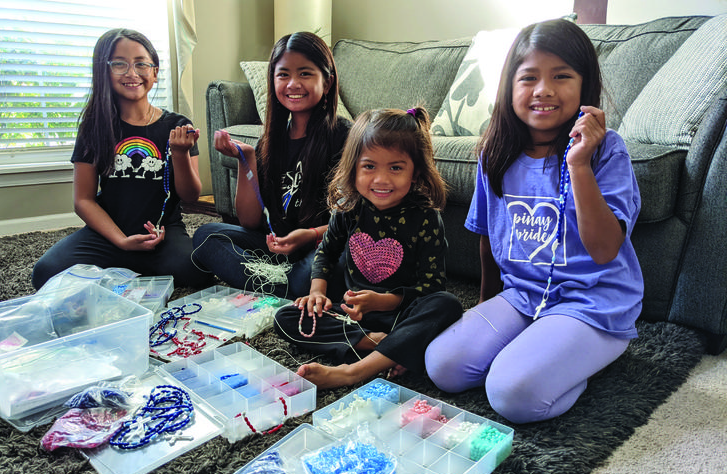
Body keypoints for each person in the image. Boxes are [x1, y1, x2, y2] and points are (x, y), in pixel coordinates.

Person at [424, 19, 644, 424]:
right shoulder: (495, 152)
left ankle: (585, 359)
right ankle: (544, 353)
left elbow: (604, 249)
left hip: (592, 303)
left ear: (584, 85)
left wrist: (578, 164)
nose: (543, 90)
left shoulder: (607, 151)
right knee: (444, 366)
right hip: (524, 296)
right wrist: (487, 307)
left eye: (561, 76)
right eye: (529, 78)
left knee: (511, 395)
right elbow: (490, 237)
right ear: (509, 87)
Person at [274, 107, 463, 389]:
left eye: (396, 167)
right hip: (354, 317)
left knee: (448, 305)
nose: (381, 179)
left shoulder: (425, 217)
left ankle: (354, 371)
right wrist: (317, 293)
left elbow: (433, 285)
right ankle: (383, 346)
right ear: (353, 167)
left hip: (403, 315)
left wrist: (381, 301)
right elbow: (326, 252)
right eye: (369, 166)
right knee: (285, 317)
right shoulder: (349, 208)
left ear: (415, 171)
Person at [32, 28, 211, 289]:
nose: (131, 73)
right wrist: (120, 240)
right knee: (45, 272)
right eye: (119, 64)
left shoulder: (177, 125)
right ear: (104, 71)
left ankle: (127, 267)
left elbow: (190, 196)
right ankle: (128, 261)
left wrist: (181, 154)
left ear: (155, 71)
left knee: (198, 273)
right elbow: (83, 199)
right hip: (108, 234)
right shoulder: (94, 126)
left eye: (141, 63)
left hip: (162, 232)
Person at [191, 32, 352, 299]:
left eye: (305, 74)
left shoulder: (344, 137)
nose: (293, 84)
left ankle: (284, 286)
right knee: (206, 236)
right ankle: (283, 286)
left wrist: (309, 236)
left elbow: (354, 220)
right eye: (283, 75)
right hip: (277, 249)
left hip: (321, 246)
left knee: (336, 261)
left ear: (327, 82)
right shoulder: (270, 141)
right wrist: (247, 159)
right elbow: (250, 221)